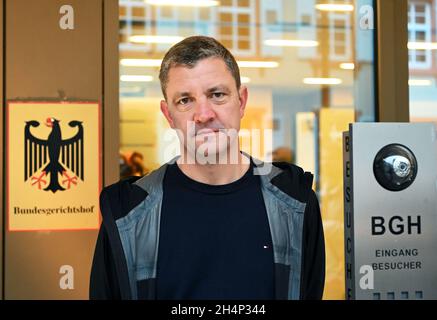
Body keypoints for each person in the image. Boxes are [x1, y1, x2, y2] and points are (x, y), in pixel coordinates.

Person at [90, 36, 325, 300]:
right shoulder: (128, 215)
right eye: (185, 100)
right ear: (169, 115)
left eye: (217, 95)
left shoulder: (294, 204)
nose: (204, 114)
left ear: (242, 101)